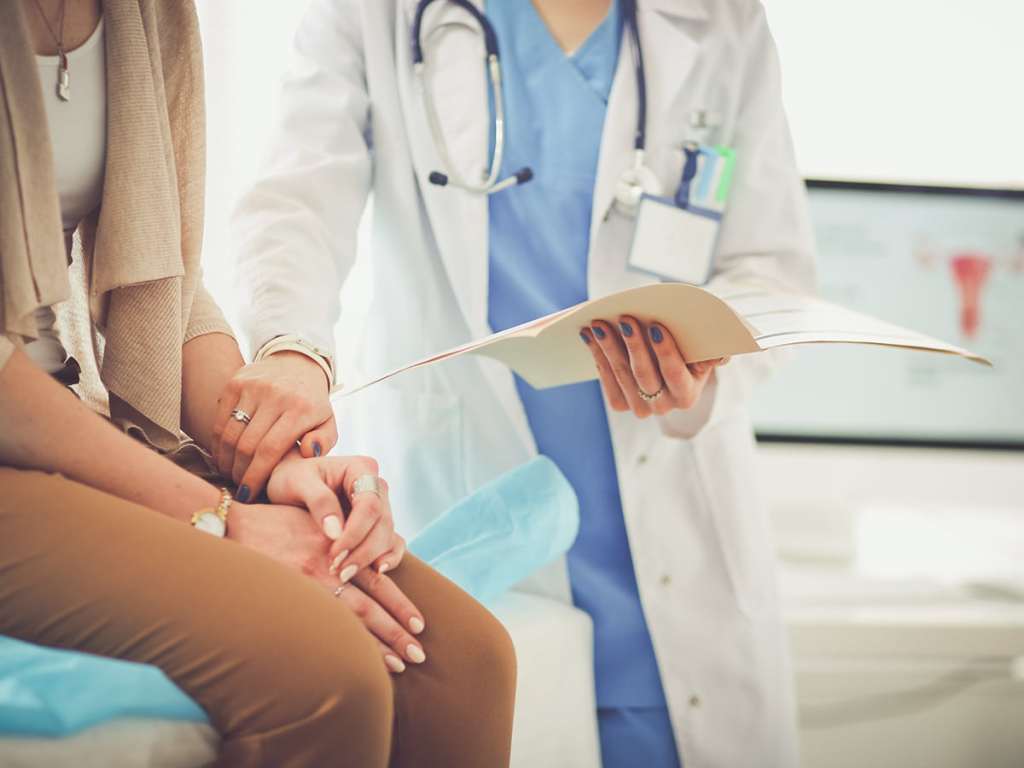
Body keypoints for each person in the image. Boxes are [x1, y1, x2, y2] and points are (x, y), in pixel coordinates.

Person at [229, 0, 815, 765]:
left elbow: (771, 265)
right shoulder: (378, 13)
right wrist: (291, 347)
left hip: (671, 541)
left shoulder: (719, 21)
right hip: (471, 503)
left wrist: (704, 361)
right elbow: (298, 200)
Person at [0, 2, 516, 766]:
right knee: (324, 672)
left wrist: (270, 456)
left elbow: (164, 283)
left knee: (465, 661)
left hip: (67, 418)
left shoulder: (148, 15)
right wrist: (222, 519)